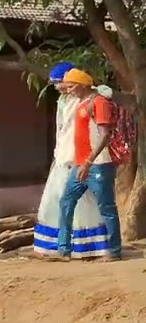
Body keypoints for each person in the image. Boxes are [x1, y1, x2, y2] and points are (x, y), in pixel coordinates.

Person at [34, 63, 109, 259]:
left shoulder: (86, 98)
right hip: (63, 156)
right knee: (58, 202)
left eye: (63, 83)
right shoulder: (62, 101)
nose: (60, 87)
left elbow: (103, 93)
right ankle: (58, 246)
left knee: (87, 204)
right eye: (59, 84)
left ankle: (90, 247)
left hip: (81, 158)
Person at [57, 67, 121, 261]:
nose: (67, 90)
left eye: (70, 86)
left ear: (81, 85)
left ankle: (115, 251)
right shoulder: (81, 103)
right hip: (80, 164)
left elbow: (104, 136)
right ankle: (64, 249)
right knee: (66, 202)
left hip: (98, 165)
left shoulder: (99, 103)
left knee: (106, 207)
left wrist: (88, 161)